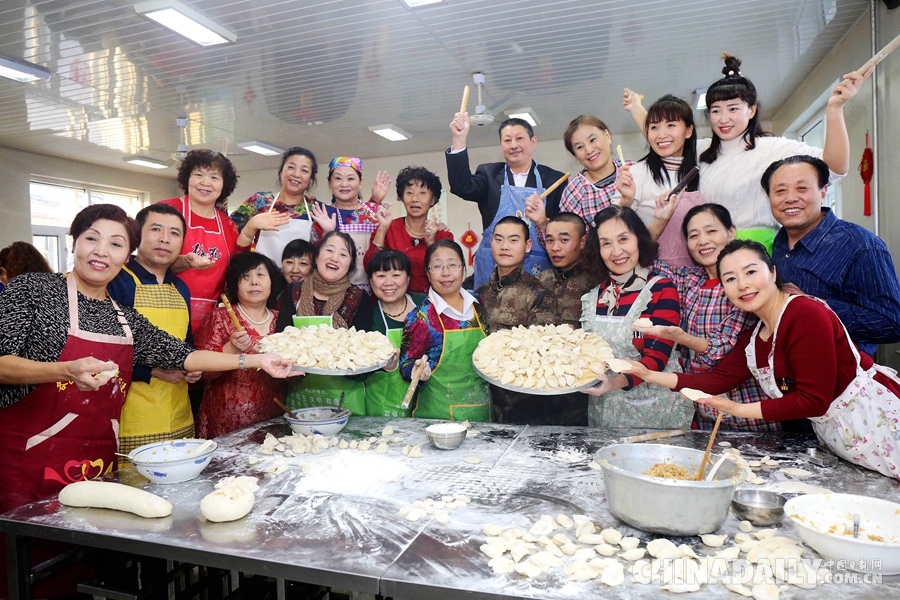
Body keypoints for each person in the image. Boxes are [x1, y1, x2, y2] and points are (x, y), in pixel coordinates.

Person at [0, 204, 293, 515]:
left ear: (126, 256)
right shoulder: (32, 289)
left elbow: (184, 355)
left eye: (115, 244)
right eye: (91, 239)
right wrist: (65, 371)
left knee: (86, 546)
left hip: (94, 459)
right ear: (74, 243)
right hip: (25, 458)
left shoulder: (124, 318)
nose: (101, 252)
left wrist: (257, 361)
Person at [631, 240, 900, 480]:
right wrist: (647, 374)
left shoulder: (804, 314)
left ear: (772, 272)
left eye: (751, 272)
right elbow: (718, 379)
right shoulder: (756, 335)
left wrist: (736, 409)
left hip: (880, 422)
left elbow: (814, 400)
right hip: (844, 437)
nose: (743, 284)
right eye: (730, 279)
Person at [625, 54, 870, 251]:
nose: (723, 119)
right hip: (711, 256)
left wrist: (835, 108)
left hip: (761, 255)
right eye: (716, 110)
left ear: (752, 110)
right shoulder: (703, 152)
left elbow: (836, 168)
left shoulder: (774, 148)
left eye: (733, 109)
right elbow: (665, 136)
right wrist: (637, 108)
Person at [638, 203, 783, 432]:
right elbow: (641, 257)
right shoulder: (687, 279)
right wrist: (660, 219)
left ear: (731, 232)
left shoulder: (746, 288)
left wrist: (684, 338)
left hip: (750, 415)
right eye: (693, 235)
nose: (703, 240)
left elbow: (721, 350)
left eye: (711, 231)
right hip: (704, 413)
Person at [764, 155, 900, 357]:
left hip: (843, 375)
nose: (790, 198)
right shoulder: (780, 241)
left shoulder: (861, 245)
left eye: (802, 188)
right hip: (789, 365)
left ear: (823, 192)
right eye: (780, 191)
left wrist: (815, 306)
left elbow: (892, 324)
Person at [580, 206, 692, 429]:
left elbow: (657, 358)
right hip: (604, 412)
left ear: (639, 240)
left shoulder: (660, 289)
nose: (616, 251)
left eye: (623, 239)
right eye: (606, 243)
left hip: (655, 410)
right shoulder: (594, 297)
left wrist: (614, 382)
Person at [107, 204, 200, 454]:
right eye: (156, 229)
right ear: (137, 235)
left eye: (174, 233)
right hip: (131, 411)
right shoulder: (117, 282)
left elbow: (186, 342)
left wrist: (193, 367)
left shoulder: (181, 288)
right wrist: (152, 371)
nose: (164, 239)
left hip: (178, 409)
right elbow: (104, 353)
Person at [446, 115, 566, 288]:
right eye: (507, 140)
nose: (513, 145)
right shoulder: (489, 174)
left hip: (537, 270)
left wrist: (542, 221)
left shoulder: (555, 180)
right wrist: (459, 139)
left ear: (533, 141)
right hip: (491, 268)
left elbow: (563, 234)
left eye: (519, 138)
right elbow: (461, 186)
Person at [276, 231, 374, 414]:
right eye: (329, 250)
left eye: (343, 254)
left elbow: (364, 356)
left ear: (350, 265)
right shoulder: (293, 292)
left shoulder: (359, 298)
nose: (335, 258)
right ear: (317, 256)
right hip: (301, 392)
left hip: (345, 395)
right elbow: (281, 341)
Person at [476, 216, 558, 424]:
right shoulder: (479, 295)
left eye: (513, 240)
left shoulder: (538, 294)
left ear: (527, 245)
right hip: (483, 403)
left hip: (525, 407)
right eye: (498, 239)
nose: (505, 246)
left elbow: (545, 352)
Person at [195, 253, 285, 438]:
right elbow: (200, 373)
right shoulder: (219, 317)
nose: (254, 282)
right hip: (226, 420)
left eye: (260, 275)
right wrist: (230, 349)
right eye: (245, 277)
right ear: (236, 284)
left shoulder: (282, 320)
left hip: (274, 416)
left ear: (272, 281)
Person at [400, 240, 491, 421]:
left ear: (463, 268)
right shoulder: (420, 317)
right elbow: (405, 365)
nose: (446, 273)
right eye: (437, 266)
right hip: (436, 417)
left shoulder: (479, 304)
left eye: (452, 265)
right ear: (428, 273)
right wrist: (416, 371)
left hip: (482, 414)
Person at [158, 149, 244, 335]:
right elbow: (146, 260)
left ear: (224, 185)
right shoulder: (165, 210)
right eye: (198, 174)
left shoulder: (228, 225)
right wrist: (186, 261)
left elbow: (234, 271)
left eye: (214, 177)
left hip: (208, 320)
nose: (205, 183)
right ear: (187, 178)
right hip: (162, 312)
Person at [615, 95, 703, 267]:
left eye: (671, 125)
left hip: (700, 275)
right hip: (653, 276)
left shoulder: (705, 167)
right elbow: (614, 234)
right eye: (654, 127)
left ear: (689, 131)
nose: (662, 135)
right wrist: (626, 200)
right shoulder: (636, 174)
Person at [363, 166, 453, 294]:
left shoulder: (442, 235)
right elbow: (369, 267)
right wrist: (382, 229)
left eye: (422, 193)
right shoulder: (389, 228)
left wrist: (431, 243)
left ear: (433, 200)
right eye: (409, 193)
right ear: (402, 197)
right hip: (390, 301)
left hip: (431, 305)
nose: (414, 199)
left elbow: (446, 274)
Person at [308, 157, 392, 292]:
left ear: (360, 182)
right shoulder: (323, 214)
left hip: (376, 291)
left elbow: (388, 251)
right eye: (338, 178)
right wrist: (326, 233)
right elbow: (313, 259)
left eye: (351, 179)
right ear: (329, 183)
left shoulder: (375, 211)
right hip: (334, 292)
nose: (344, 184)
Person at [230, 147, 322, 263]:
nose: (296, 174)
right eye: (291, 167)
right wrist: (251, 226)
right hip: (264, 278)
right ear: (281, 170)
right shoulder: (260, 201)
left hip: (303, 279)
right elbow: (229, 234)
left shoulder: (316, 208)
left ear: (311, 177)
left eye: (304, 170)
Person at [365, 250, 424, 417]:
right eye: (381, 276)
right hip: (384, 407)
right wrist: (383, 366)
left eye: (396, 274)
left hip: (429, 402)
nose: (388, 282)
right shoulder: (368, 316)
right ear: (371, 281)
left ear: (408, 278)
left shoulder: (426, 304)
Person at [554, 115, 632, 231]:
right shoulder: (573, 192)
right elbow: (571, 239)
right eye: (580, 147)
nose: (589, 150)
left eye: (592, 140)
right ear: (575, 156)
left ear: (607, 136)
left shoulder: (633, 170)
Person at [538, 212, 599, 328]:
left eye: (564, 240)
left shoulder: (596, 282)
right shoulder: (540, 281)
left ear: (583, 242)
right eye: (550, 240)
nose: (555, 248)